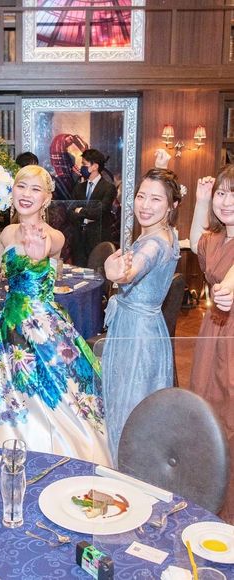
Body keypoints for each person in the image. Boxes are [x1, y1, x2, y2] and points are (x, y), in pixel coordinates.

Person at [0, 165, 111, 465]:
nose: (26, 194)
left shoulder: (53, 235)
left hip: (42, 324)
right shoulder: (9, 231)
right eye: (21, 186)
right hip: (9, 323)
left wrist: (38, 250)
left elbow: (45, 251)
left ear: (46, 199)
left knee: (50, 393)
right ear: (12, 192)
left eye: (35, 189)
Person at [102, 168, 182, 465]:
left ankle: (125, 472)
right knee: (139, 405)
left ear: (172, 206)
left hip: (137, 335)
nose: (145, 205)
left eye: (156, 199)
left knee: (129, 406)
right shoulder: (166, 233)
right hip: (146, 328)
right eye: (141, 196)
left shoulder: (154, 242)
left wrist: (118, 273)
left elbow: (134, 269)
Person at [189, 166, 234, 523]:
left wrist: (227, 290)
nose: (226, 201)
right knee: (205, 410)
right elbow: (196, 244)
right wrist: (201, 201)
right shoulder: (217, 238)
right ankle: (207, 496)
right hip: (213, 329)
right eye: (222, 193)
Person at [68, 148, 118, 266]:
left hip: (98, 239)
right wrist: (85, 214)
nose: (81, 168)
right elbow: (70, 210)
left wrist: (80, 210)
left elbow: (101, 210)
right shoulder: (79, 187)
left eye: (84, 164)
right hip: (79, 240)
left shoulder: (108, 188)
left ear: (95, 166)